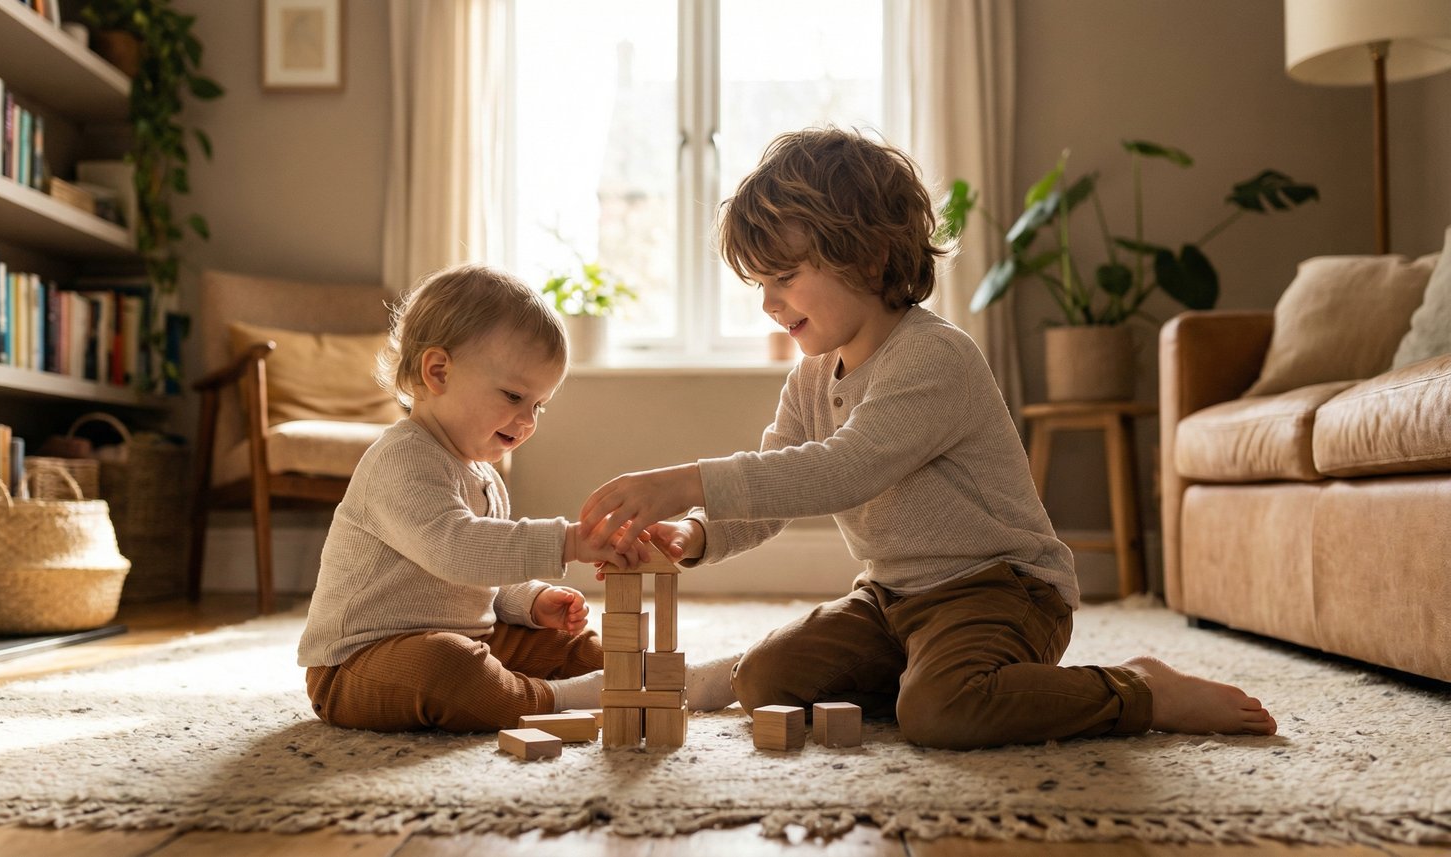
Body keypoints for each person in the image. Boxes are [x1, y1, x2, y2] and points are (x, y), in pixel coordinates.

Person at [577, 128, 1278, 750]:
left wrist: (684, 478)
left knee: (943, 713)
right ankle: (934, 673)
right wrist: (692, 535)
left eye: (785, 276)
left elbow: (839, 470)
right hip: (890, 597)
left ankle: (1138, 689)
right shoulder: (812, 376)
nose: (767, 300)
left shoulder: (935, 357)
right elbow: (772, 488)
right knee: (766, 679)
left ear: (873, 257)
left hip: (1001, 589)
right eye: (760, 281)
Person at [298, 264, 735, 733]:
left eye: (538, 405)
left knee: (564, 643)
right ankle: (568, 697)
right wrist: (568, 542)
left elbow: (483, 575)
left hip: (472, 634)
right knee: (451, 667)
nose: (528, 420)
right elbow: (457, 550)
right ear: (438, 371)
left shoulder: (483, 475)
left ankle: (650, 677)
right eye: (513, 396)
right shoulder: (400, 460)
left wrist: (531, 601)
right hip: (359, 663)